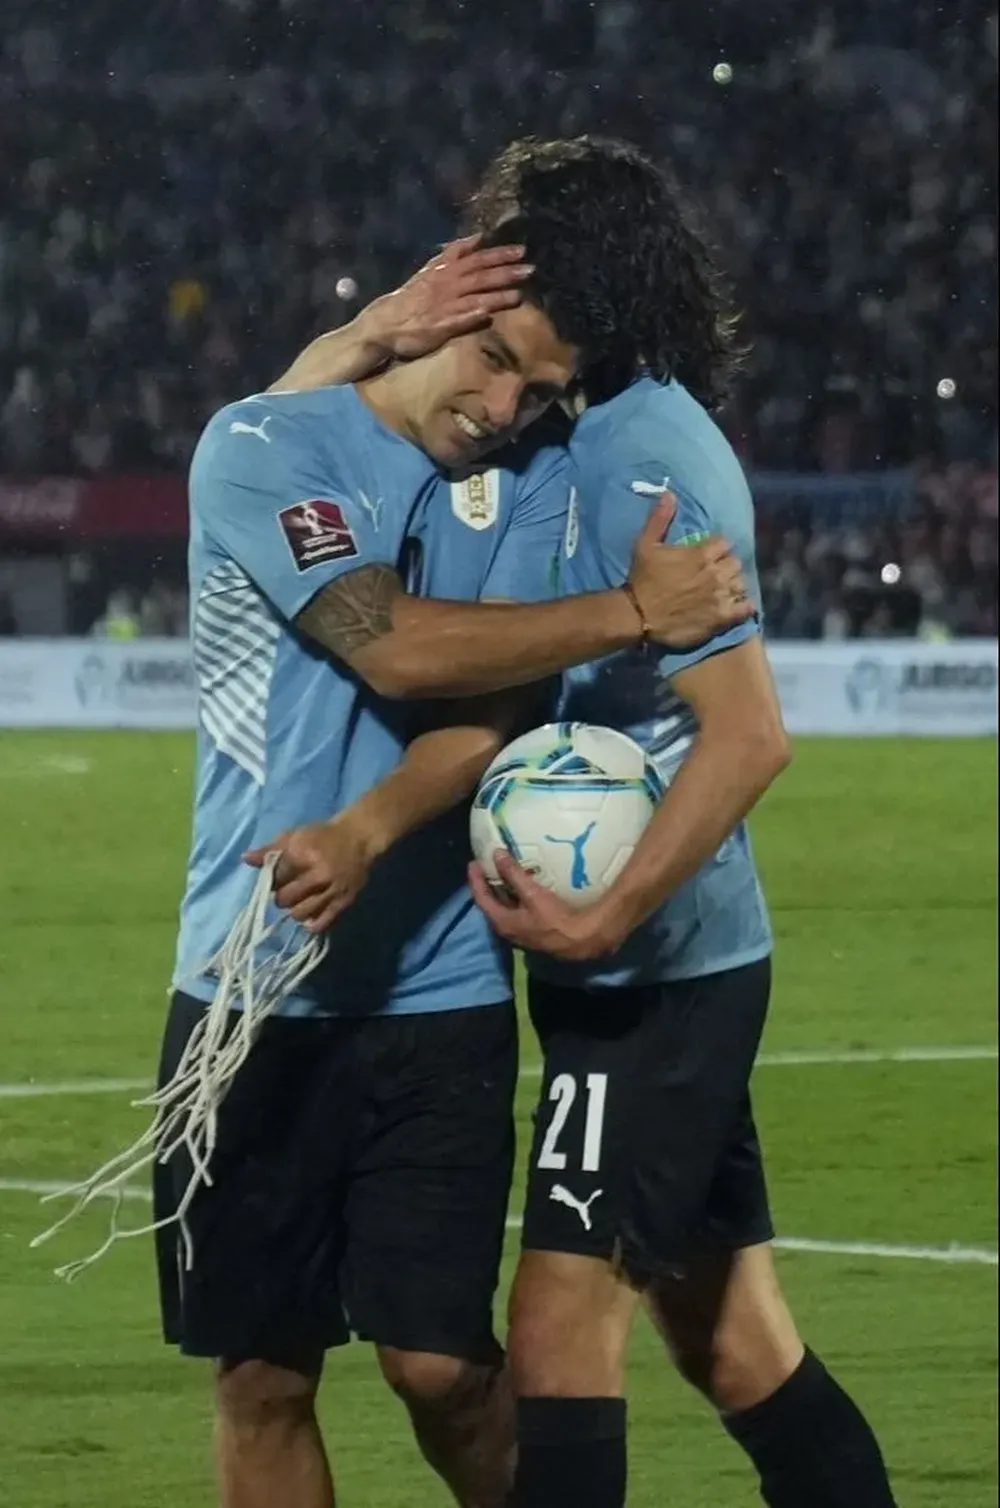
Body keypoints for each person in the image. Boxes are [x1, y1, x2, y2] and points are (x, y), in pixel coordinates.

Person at [276, 137, 899, 1508]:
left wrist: (610, 913)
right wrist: (378, 327)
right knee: (734, 1346)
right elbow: (266, 449)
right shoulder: (535, 413)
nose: (482, 285)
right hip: (595, 963)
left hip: (655, 972)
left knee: (560, 1328)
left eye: (509, 255)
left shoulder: (648, 456)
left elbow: (750, 737)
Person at [150, 212, 754, 1508]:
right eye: (488, 356)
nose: (499, 405)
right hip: (249, 986)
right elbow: (395, 647)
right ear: (426, 317)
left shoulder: (530, 485)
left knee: (441, 1368)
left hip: (440, 997)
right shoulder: (260, 447)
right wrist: (642, 610)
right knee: (262, 1378)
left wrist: (367, 830)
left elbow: (498, 707)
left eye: (536, 388)